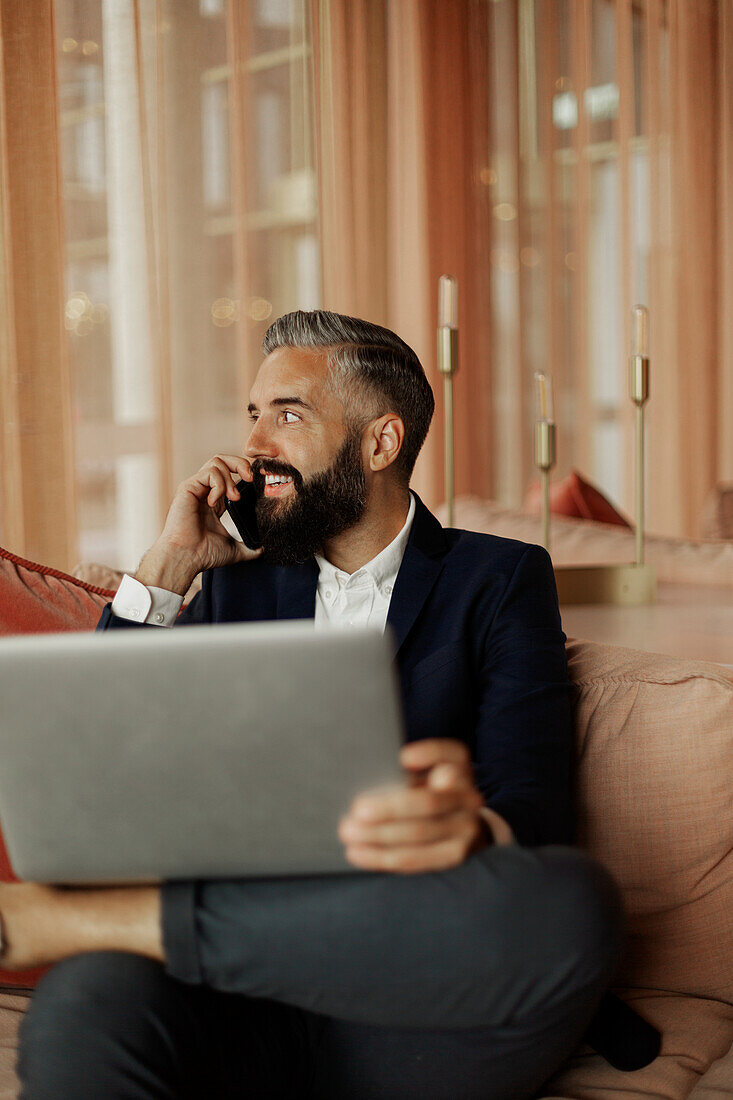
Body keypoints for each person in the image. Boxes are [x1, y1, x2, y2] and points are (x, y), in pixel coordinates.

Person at [2, 311, 621, 1099]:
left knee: (572, 902)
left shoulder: (496, 579)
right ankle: (124, 940)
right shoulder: (234, 581)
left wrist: (466, 828)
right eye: (253, 416)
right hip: (231, 1001)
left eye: (287, 415)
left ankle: (89, 926)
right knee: (82, 1000)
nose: (255, 444)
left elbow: (532, 805)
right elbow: (103, 751)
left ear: (379, 442)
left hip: (409, 1001)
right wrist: (166, 569)